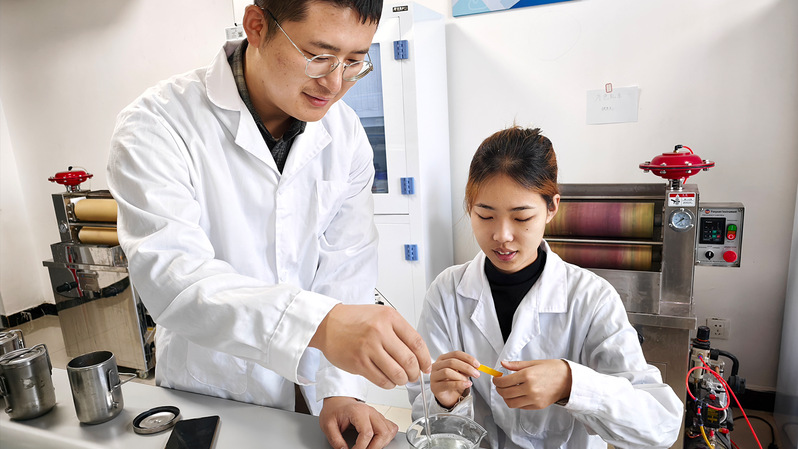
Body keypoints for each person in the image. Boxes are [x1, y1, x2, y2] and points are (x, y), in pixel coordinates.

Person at [107, 2, 431, 448]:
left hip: (310, 391)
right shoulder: (158, 125)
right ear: (257, 26)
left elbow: (347, 267)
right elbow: (174, 281)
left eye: (355, 61)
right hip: (216, 392)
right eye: (319, 56)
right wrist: (324, 326)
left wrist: (339, 390)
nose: (335, 83)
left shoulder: (346, 133)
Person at [407, 126, 683, 448]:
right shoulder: (447, 292)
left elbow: (661, 426)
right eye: (485, 216)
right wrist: (444, 400)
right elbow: (424, 417)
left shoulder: (592, 298)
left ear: (552, 208)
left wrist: (571, 385)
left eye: (521, 218)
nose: (502, 236)